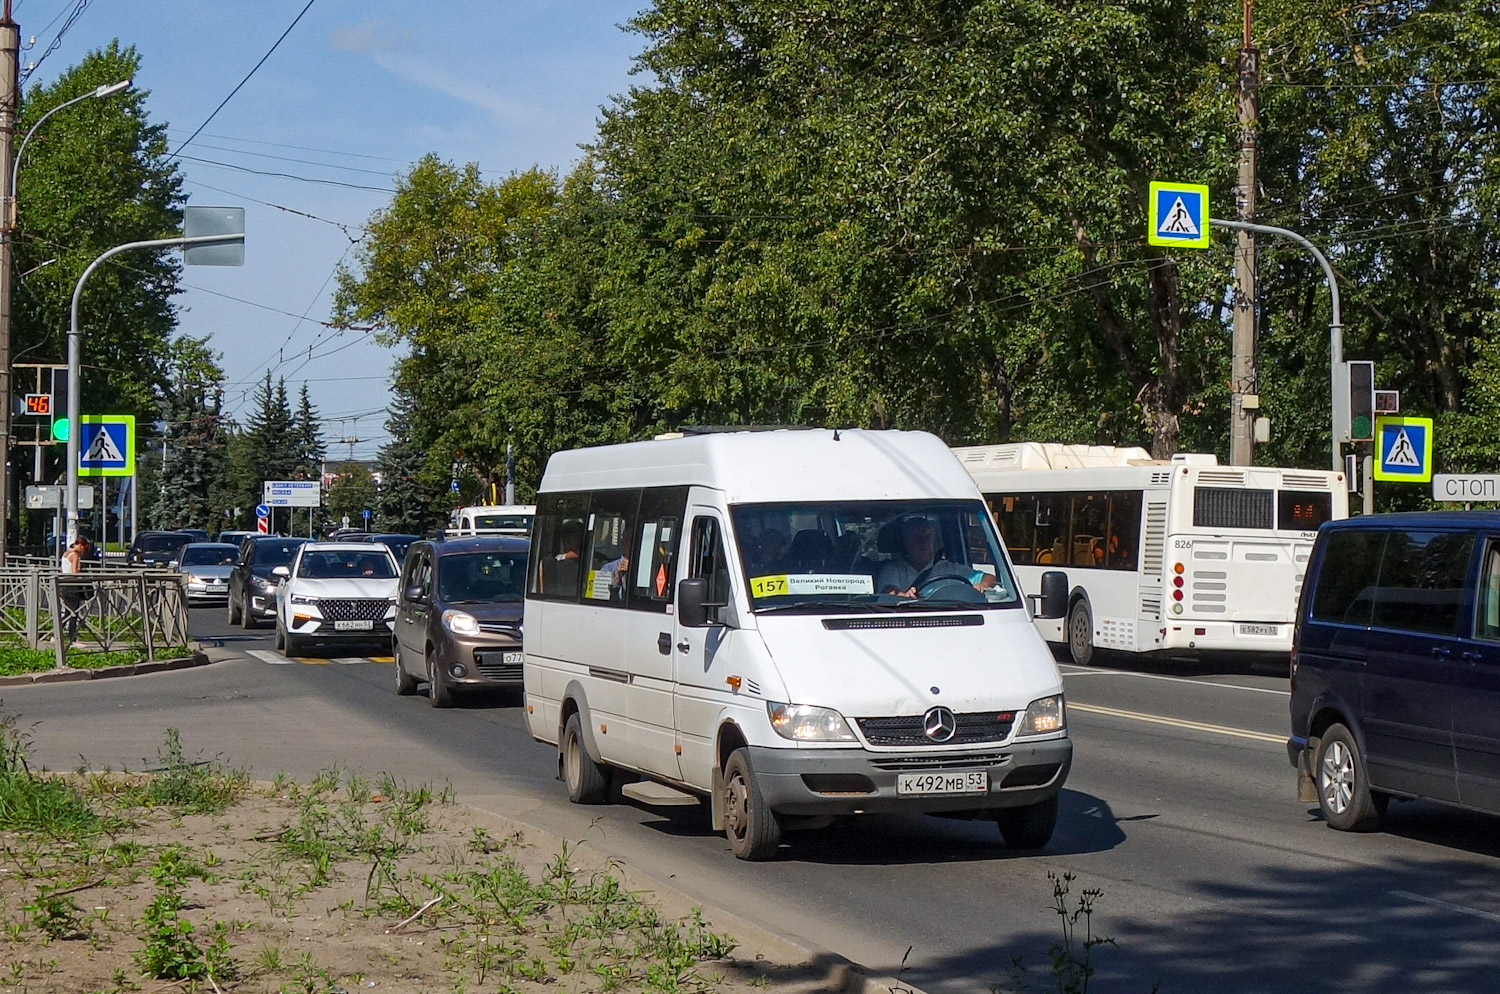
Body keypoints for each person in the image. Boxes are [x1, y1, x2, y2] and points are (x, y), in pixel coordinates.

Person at [877, 516, 994, 598]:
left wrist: (982, 585)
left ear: (933, 541)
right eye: (916, 539)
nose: (923, 543)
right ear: (905, 543)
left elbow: (989, 578)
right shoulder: (893, 569)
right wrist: (905, 597)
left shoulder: (949, 568)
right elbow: (889, 592)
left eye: (927, 537)